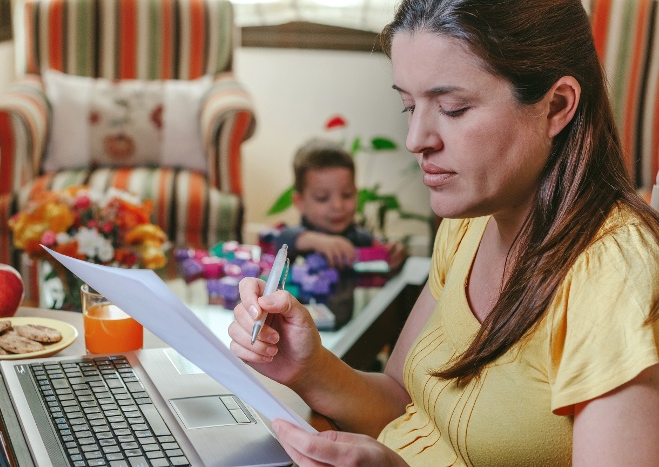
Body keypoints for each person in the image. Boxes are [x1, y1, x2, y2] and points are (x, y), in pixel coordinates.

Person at [229, 0, 659, 465]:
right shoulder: (470, 223)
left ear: (556, 106)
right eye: (409, 105)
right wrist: (306, 367)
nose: (416, 138)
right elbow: (401, 402)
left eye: (453, 108)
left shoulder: (614, 272)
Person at [274, 137, 408, 270]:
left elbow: (387, 251)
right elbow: (274, 239)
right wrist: (314, 240)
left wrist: (396, 253)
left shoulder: (361, 238)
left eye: (347, 195)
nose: (338, 205)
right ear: (299, 202)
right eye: (322, 198)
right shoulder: (293, 239)